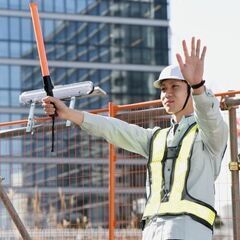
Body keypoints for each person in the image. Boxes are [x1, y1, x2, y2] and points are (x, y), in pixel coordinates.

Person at [42, 37, 228, 240]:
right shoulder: (157, 139)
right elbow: (113, 129)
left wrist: (198, 86)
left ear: (190, 93)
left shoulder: (209, 135)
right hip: (153, 232)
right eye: (163, 89)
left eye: (175, 87)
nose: (167, 93)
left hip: (189, 232)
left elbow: (210, 117)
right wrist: (69, 113)